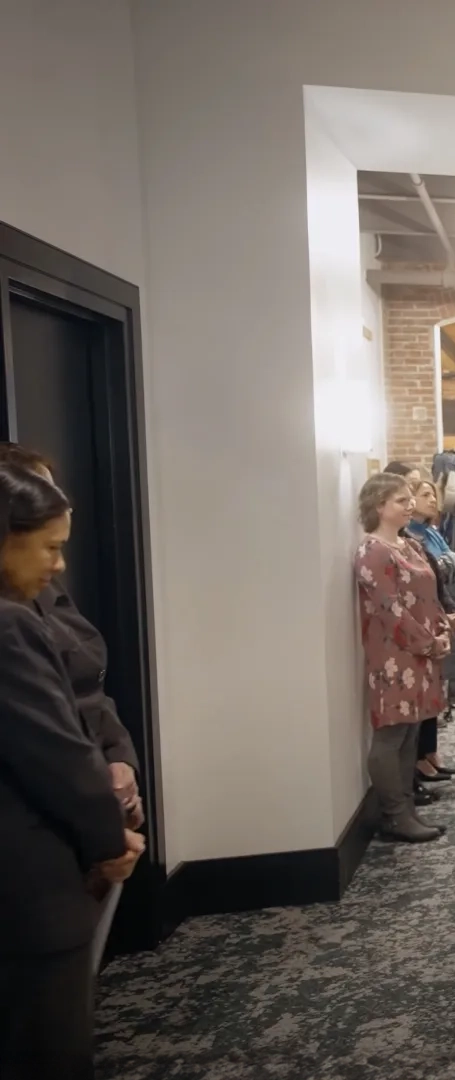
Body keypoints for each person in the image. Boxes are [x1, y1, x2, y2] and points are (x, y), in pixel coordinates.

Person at [0, 465, 143, 1080]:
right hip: (28, 879)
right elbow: (55, 751)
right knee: (48, 1049)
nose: (59, 567)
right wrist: (107, 841)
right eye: (51, 548)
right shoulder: (9, 623)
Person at [1, 444, 143, 827]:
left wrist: (120, 758)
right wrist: (104, 828)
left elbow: (89, 686)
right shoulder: (11, 620)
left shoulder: (47, 587)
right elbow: (46, 745)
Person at [351, 473, 450, 843]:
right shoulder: (372, 551)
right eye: (399, 500)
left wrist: (442, 631)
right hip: (394, 653)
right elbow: (389, 608)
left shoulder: (409, 545)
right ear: (377, 506)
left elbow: (430, 593)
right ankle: (393, 814)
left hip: (423, 650)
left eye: (410, 498)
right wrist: (428, 641)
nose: (410, 504)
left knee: (411, 731)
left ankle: (407, 808)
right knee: (391, 733)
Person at [406, 479, 455, 782]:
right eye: (424, 495)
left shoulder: (431, 531)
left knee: (435, 692)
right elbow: (438, 571)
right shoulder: (407, 537)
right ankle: (419, 759)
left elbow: (445, 568)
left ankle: (430, 752)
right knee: (421, 700)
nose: (433, 500)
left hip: (445, 608)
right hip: (422, 623)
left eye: (433, 494)